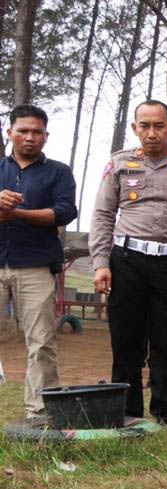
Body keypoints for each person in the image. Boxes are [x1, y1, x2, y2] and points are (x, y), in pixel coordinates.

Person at [88, 99, 167, 427]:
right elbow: (103, 214)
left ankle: (165, 415)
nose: (151, 133)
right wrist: (101, 262)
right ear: (134, 129)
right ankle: (128, 415)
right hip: (126, 262)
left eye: (159, 126)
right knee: (126, 343)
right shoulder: (119, 163)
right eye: (144, 126)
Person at [0, 105, 77, 423]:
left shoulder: (59, 172)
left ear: (46, 136)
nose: (30, 137)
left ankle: (40, 414)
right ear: (10, 133)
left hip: (36, 266)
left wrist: (16, 214)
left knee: (42, 342)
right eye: (23, 131)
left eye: (37, 132)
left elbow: (63, 213)